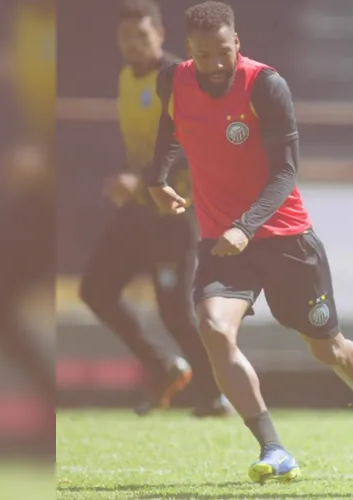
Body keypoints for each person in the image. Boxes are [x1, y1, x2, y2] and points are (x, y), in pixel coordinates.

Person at [145, 1, 353, 484]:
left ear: (237, 43)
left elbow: (286, 171)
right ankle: (274, 447)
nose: (215, 63)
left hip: (286, 240)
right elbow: (170, 127)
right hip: (222, 244)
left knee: (329, 350)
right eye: (204, 55)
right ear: (189, 50)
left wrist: (245, 225)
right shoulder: (172, 81)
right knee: (213, 328)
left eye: (224, 51)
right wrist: (156, 178)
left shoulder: (265, 84)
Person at [78, 0, 230, 418]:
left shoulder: (181, 79)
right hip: (139, 212)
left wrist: (144, 178)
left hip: (173, 213)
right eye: (126, 36)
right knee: (95, 289)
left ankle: (214, 394)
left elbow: (195, 145)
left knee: (174, 312)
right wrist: (130, 179)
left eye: (142, 35)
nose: (134, 43)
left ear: (160, 35)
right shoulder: (127, 78)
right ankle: (161, 366)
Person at [0, 0, 56, 460]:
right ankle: (55, 405)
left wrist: (51, 154)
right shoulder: (27, 20)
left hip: (86, 189)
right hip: (43, 195)